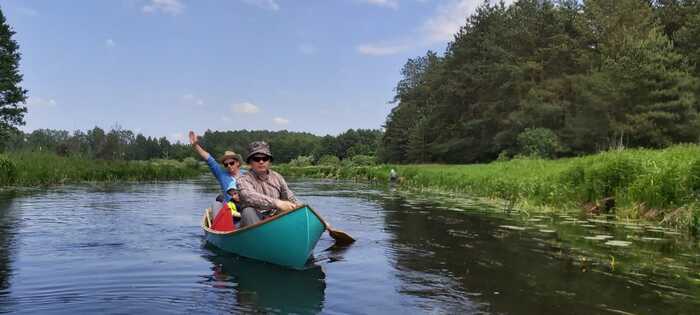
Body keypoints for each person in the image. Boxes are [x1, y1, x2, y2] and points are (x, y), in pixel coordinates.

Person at [237, 141, 301, 227]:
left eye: (265, 158)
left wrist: (318, 219)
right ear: (250, 162)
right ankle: (259, 238)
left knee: (293, 210)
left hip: (274, 221)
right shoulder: (243, 179)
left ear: (269, 161)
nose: (261, 162)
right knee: (248, 211)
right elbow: (249, 196)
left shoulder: (278, 177)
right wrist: (277, 203)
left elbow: (291, 198)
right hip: (252, 222)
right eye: (256, 159)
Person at [189, 131, 242, 212]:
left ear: (237, 163)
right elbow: (209, 160)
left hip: (246, 208)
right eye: (226, 164)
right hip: (231, 212)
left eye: (231, 163)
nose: (229, 166)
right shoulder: (222, 174)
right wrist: (196, 145)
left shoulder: (247, 176)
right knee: (217, 203)